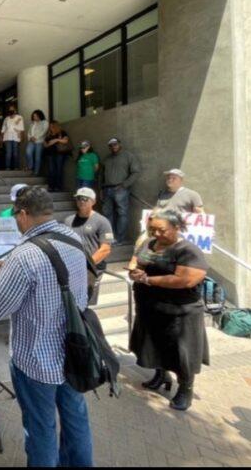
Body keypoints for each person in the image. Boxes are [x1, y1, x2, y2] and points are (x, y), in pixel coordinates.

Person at [0, 186, 92, 467]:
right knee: (76, 421)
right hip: (76, 351)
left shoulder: (25, 255)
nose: (16, 220)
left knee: (40, 429)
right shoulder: (73, 238)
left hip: (36, 360)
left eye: (17, 214)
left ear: (24, 214)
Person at [128, 209, 209, 411]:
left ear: (176, 227)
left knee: (181, 353)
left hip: (180, 313)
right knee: (155, 346)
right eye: (152, 229)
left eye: (161, 230)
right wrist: (135, 271)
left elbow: (186, 279)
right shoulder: (148, 244)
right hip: (151, 308)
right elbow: (136, 262)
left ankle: (185, 389)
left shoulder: (188, 251)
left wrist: (148, 279)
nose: (156, 234)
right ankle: (160, 374)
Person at [64, 187, 114, 305]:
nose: (81, 201)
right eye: (78, 198)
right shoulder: (68, 220)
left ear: (93, 202)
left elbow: (105, 249)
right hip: (72, 267)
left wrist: (86, 264)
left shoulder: (102, 221)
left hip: (92, 269)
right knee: (71, 303)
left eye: (85, 199)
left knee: (86, 304)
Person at [100, 137, 141, 245]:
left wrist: (124, 185)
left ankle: (119, 239)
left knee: (122, 214)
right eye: (111, 145)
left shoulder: (128, 156)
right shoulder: (106, 159)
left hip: (121, 189)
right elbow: (101, 175)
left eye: (115, 144)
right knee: (107, 214)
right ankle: (109, 238)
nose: (113, 147)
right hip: (107, 189)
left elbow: (135, 172)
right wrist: (101, 188)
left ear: (119, 144)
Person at [43, 120, 71, 192]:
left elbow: (66, 141)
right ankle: (51, 186)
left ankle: (58, 186)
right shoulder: (48, 135)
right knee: (51, 171)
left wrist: (56, 140)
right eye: (50, 126)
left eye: (52, 126)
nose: (51, 128)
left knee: (59, 170)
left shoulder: (62, 132)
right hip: (50, 154)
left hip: (59, 154)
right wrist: (50, 143)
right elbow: (45, 145)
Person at [25, 110, 49, 176]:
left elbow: (44, 131)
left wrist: (36, 137)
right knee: (28, 152)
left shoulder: (45, 122)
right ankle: (30, 166)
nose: (34, 117)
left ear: (40, 115)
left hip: (40, 141)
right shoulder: (32, 123)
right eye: (33, 116)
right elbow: (29, 132)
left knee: (37, 157)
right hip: (31, 141)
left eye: (36, 116)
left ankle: (36, 172)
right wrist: (30, 137)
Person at [1, 105, 24, 170]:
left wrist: (22, 137)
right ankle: (7, 167)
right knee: (8, 153)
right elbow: (3, 128)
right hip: (7, 137)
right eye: (10, 110)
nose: (11, 111)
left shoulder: (19, 117)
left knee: (15, 153)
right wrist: (1, 137)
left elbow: (22, 128)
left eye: (12, 109)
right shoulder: (6, 118)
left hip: (16, 137)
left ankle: (16, 167)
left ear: (15, 110)